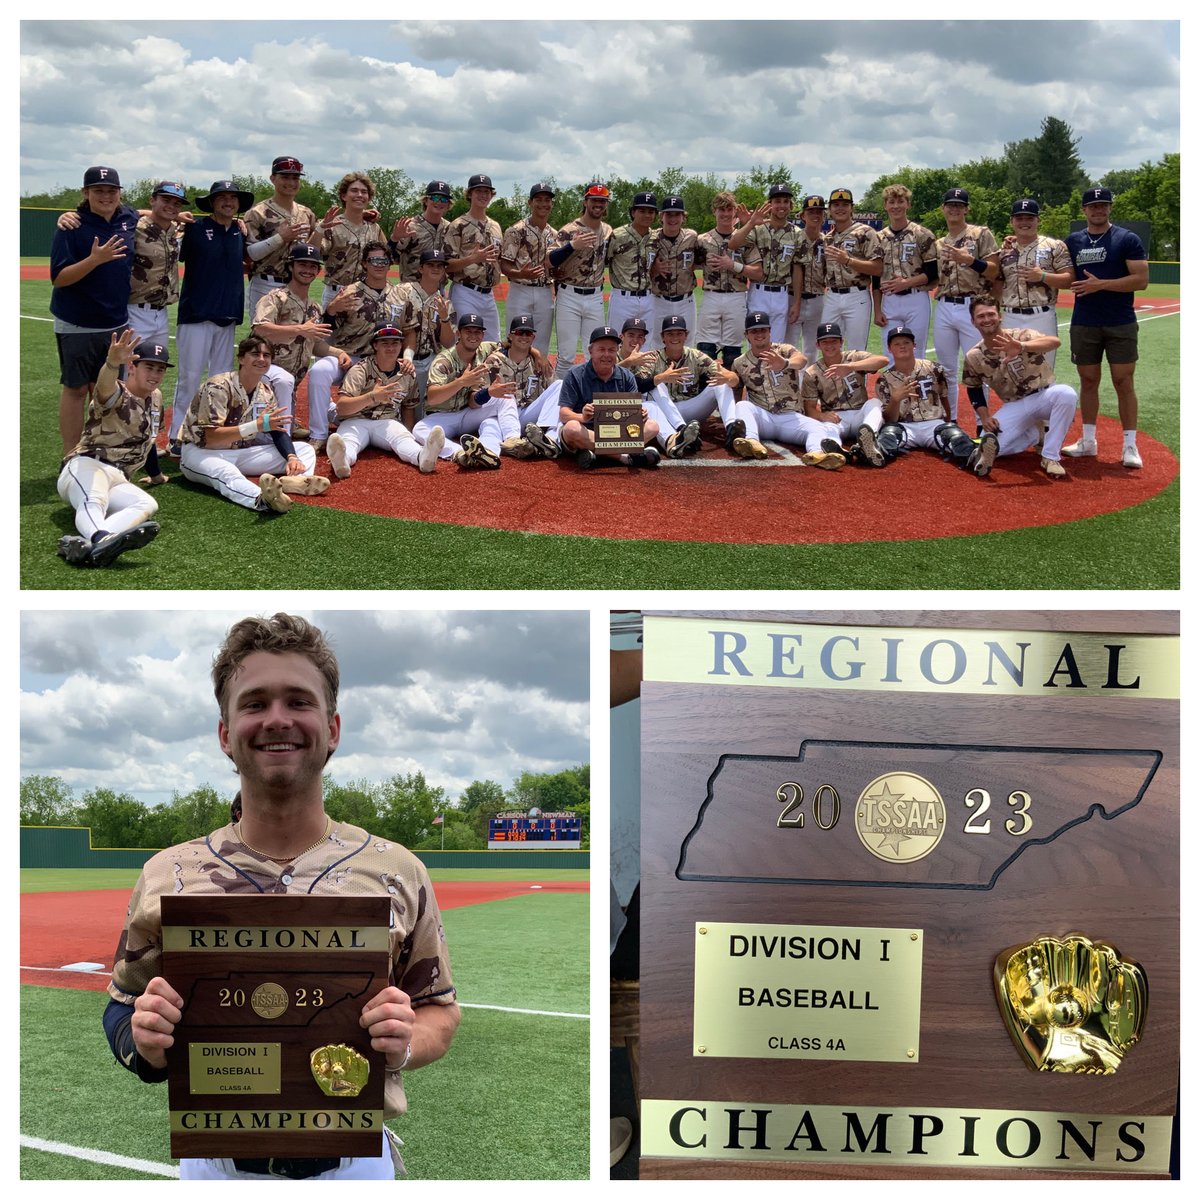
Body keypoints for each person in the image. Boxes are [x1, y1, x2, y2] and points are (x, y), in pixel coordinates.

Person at [102, 612, 460, 1180]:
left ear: (333, 728)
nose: (277, 719)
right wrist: (144, 1042)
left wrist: (407, 1040)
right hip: (214, 1165)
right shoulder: (167, 873)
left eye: (298, 700)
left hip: (351, 1168)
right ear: (225, 733)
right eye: (254, 703)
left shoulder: (397, 870)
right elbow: (121, 1006)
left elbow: (438, 1008)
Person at [178, 334, 328, 513]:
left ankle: (296, 480)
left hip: (241, 453)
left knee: (304, 450)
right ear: (241, 358)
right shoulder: (218, 386)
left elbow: (277, 430)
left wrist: (292, 457)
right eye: (255, 354)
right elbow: (211, 437)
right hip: (202, 453)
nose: (261, 359)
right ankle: (261, 499)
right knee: (227, 473)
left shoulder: (265, 391)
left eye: (267, 355)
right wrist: (255, 426)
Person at [56, 329, 165, 568]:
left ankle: (90, 546)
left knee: (148, 504)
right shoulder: (117, 391)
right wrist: (112, 363)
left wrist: (156, 475)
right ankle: (100, 538)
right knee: (93, 498)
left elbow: (149, 440)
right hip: (87, 464)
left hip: (120, 478)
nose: (155, 374)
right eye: (149, 367)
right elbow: (104, 389)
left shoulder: (156, 398)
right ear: (133, 367)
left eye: (161, 369)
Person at [49, 165, 138, 454]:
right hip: (78, 323)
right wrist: (94, 260)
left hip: (115, 323)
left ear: (119, 193)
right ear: (86, 193)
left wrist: (179, 215)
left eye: (111, 190)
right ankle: (72, 454)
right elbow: (60, 278)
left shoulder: (127, 217)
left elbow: (144, 214)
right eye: (98, 190)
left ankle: (105, 450)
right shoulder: (72, 226)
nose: (105, 196)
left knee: (109, 391)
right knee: (76, 390)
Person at [1062, 186, 1150, 468]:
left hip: (1119, 320)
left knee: (1123, 381)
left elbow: (1141, 280)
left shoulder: (1127, 238)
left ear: (1110, 207)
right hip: (1085, 321)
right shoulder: (1073, 241)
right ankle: (1088, 441)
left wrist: (1102, 285)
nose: (1098, 210)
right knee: (1088, 380)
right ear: (1084, 210)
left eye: (1103, 205)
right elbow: (1061, 271)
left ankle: (1130, 445)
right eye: (1093, 206)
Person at [168, 179, 254, 452]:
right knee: (190, 378)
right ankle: (177, 436)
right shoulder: (196, 227)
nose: (228, 202)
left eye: (233, 198)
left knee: (221, 381)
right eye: (222, 198)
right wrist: (175, 222)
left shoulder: (240, 232)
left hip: (226, 316)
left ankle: (215, 435)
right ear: (213, 202)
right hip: (196, 314)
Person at [961, 296, 1078, 480]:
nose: (986, 319)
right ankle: (1034, 433)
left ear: (999, 316)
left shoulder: (1021, 335)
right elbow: (973, 387)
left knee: (1066, 394)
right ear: (973, 322)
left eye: (991, 314)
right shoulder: (974, 356)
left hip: (1044, 396)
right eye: (981, 316)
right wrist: (985, 417)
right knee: (986, 441)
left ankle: (1050, 457)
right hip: (1015, 405)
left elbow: (1054, 341)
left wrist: (1022, 346)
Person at [252, 244, 352, 453]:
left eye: (312, 266)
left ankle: (284, 433)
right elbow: (261, 328)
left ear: (318, 271)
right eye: (302, 264)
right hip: (264, 373)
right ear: (291, 267)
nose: (307, 269)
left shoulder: (314, 308)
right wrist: (301, 329)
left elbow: (314, 344)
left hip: (289, 384)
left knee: (285, 392)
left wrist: (338, 352)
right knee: (266, 439)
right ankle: (285, 447)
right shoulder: (275, 297)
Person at [306, 245, 413, 441]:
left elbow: (409, 330)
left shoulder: (401, 295)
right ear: (364, 263)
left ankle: (394, 426)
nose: (379, 265)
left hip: (385, 361)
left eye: (383, 261)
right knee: (319, 371)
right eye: (373, 260)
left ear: (390, 263)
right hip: (350, 358)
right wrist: (331, 311)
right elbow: (325, 331)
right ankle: (318, 436)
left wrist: (407, 357)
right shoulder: (349, 292)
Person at [327, 325, 444, 478]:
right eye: (385, 343)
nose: (390, 347)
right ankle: (342, 462)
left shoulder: (407, 373)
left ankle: (423, 457)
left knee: (404, 439)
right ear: (375, 345)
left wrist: (408, 431)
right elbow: (341, 408)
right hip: (355, 420)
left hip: (387, 421)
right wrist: (372, 397)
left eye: (395, 343)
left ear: (401, 345)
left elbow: (408, 407)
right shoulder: (360, 370)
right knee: (349, 443)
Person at [415, 313, 518, 469]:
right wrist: (461, 382)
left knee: (504, 396)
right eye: (468, 331)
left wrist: (537, 355)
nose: (473, 336)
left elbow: (513, 343)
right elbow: (432, 398)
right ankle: (460, 453)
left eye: (477, 332)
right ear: (458, 333)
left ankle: (511, 442)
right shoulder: (444, 361)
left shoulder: (486, 348)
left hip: (468, 412)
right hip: (442, 417)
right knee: (419, 429)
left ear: (483, 334)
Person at [873, 325, 981, 472]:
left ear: (914, 345)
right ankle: (875, 454)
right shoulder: (884, 380)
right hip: (904, 426)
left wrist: (948, 422)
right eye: (897, 344)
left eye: (906, 342)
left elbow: (944, 399)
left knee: (954, 435)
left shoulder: (934, 368)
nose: (902, 346)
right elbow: (889, 419)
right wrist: (895, 400)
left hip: (933, 424)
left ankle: (975, 458)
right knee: (889, 434)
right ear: (889, 349)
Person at [932, 188, 999, 410]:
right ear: (943, 208)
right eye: (950, 204)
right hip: (944, 306)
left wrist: (970, 261)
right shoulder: (938, 242)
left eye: (959, 205)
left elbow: (994, 271)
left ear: (966, 209)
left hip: (973, 306)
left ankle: (983, 424)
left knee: (978, 365)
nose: (954, 209)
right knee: (946, 368)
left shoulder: (981, 234)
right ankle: (950, 421)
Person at [558, 326, 661, 469]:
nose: (607, 354)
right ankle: (625, 457)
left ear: (616, 351)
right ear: (590, 351)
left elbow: (633, 414)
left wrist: (639, 415)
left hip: (617, 432)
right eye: (601, 349)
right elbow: (564, 414)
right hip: (587, 432)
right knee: (571, 429)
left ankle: (596, 453)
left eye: (611, 350)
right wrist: (583, 417)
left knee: (653, 426)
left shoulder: (627, 376)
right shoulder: (574, 374)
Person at [637, 315, 738, 457]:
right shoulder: (653, 358)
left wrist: (729, 377)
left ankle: (733, 430)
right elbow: (639, 385)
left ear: (686, 335)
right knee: (656, 385)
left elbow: (733, 379)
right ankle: (682, 430)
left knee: (720, 382)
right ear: (662, 337)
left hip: (692, 409)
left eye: (679, 333)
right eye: (670, 334)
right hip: (665, 414)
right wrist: (662, 377)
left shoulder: (696, 356)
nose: (675, 337)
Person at [728, 311, 822, 461]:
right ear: (747, 335)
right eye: (754, 331)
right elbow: (736, 394)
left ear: (770, 331)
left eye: (763, 330)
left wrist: (785, 363)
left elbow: (802, 360)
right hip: (763, 420)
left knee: (819, 428)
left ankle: (816, 454)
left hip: (791, 418)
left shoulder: (784, 350)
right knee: (742, 406)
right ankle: (752, 442)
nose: (759, 334)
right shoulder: (739, 363)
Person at [799, 321, 889, 467]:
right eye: (825, 342)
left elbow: (883, 360)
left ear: (841, 342)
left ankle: (868, 439)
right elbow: (809, 408)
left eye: (834, 341)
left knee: (875, 403)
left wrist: (850, 367)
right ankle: (839, 452)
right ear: (818, 345)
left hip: (861, 414)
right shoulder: (812, 372)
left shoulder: (854, 357)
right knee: (827, 428)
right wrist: (822, 416)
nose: (830, 345)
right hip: (837, 417)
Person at [995, 199, 1072, 366]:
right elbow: (997, 284)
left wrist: (1043, 276)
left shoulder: (1054, 246)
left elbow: (1069, 280)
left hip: (1042, 315)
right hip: (1010, 315)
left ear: (1038, 220)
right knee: (1011, 370)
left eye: (1029, 218)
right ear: (1011, 221)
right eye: (1019, 218)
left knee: (1043, 369)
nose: (1024, 222)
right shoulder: (1004, 250)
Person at [551, 182, 613, 379]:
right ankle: (558, 402)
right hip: (569, 294)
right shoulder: (570, 230)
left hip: (595, 296)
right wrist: (571, 245)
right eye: (594, 200)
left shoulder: (608, 230)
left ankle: (590, 398)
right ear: (586, 201)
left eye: (602, 201)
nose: (598, 204)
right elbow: (550, 260)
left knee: (594, 353)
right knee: (567, 356)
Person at [244, 155, 319, 318]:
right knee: (263, 337)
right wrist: (280, 238)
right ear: (272, 178)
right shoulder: (258, 212)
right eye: (285, 177)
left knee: (293, 339)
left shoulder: (306, 213)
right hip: (265, 282)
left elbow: (313, 249)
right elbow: (251, 253)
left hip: (297, 284)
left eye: (295, 178)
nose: (291, 182)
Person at [726, 183, 797, 341]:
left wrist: (797, 302)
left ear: (790, 205)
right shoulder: (758, 228)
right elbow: (732, 244)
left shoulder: (796, 233)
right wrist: (750, 223)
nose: (782, 205)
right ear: (770, 204)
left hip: (782, 293)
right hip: (759, 292)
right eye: (777, 201)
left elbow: (798, 268)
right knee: (757, 342)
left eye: (786, 201)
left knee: (777, 346)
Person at [486, 315, 564, 460]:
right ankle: (488, 454)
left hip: (528, 416)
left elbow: (555, 392)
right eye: (519, 333)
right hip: (501, 416)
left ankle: (547, 440)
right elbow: (483, 394)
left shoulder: (539, 362)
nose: (524, 337)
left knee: (560, 385)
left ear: (533, 337)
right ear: (510, 336)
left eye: (527, 333)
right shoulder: (494, 360)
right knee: (489, 426)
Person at [874, 184, 938, 359]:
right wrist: (877, 310)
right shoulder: (878, 237)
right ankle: (895, 387)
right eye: (891, 202)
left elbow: (933, 272)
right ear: (885, 205)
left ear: (908, 204)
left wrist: (906, 283)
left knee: (917, 353)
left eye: (900, 201)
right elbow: (875, 277)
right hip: (889, 300)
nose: (896, 206)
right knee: (891, 353)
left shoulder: (922, 234)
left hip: (916, 298)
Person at [695, 191, 755, 369]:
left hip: (736, 295)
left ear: (735, 211)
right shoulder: (702, 240)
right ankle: (706, 391)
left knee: (732, 350)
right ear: (714, 211)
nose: (726, 214)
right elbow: (691, 264)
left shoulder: (745, 238)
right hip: (711, 294)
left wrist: (732, 265)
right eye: (721, 209)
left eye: (729, 209)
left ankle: (730, 391)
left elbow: (756, 269)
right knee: (706, 348)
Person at [821, 188, 883, 351]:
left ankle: (857, 377)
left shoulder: (865, 232)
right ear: (829, 210)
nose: (840, 208)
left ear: (852, 208)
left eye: (845, 204)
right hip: (832, 296)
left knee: (856, 349)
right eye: (836, 205)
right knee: (829, 345)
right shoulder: (828, 238)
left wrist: (848, 260)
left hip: (857, 295)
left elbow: (878, 268)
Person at [500, 182, 558, 355]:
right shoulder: (516, 231)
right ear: (530, 203)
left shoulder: (554, 234)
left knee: (541, 342)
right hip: (520, 289)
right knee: (514, 338)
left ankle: (538, 380)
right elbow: (505, 265)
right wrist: (521, 273)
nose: (543, 204)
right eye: (538, 199)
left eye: (547, 200)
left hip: (545, 291)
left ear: (552, 204)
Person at [444, 174, 503, 340]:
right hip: (465, 291)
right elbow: (447, 265)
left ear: (492, 195)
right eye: (478, 191)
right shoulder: (458, 225)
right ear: (469, 194)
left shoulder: (496, 226)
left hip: (488, 294)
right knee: (465, 340)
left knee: (493, 343)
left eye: (487, 191)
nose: (483, 195)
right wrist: (472, 259)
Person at [396, 249, 456, 410]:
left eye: (440, 265)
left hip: (428, 360)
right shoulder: (402, 291)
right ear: (421, 268)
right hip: (399, 358)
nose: (436, 268)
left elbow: (449, 342)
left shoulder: (445, 303)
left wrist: (444, 318)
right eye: (430, 265)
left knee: (420, 411)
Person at [318, 171, 388, 306]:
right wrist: (320, 229)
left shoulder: (374, 227)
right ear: (344, 195)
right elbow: (314, 252)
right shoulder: (331, 224)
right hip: (336, 292)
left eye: (364, 192)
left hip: (367, 292)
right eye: (354, 191)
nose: (359, 195)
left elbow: (387, 256)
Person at [647, 196, 700, 349]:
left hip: (686, 300)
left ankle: (686, 373)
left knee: (688, 343)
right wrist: (653, 269)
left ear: (683, 217)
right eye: (669, 214)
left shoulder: (692, 237)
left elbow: (701, 259)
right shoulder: (651, 238)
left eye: (677, 214)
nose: (673, 218)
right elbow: (638, 267)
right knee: (656, 342)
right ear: (661, 216)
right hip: (658, 300)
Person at [605, 192, 658, 340]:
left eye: (651, 212)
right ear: (633, 212)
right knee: (616, 341)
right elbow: (603, 261)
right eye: (642, 211)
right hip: (623, 297)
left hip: (648, 297)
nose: (647, 215)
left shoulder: (656, 238)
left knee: (646, 343)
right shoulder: (617, 235)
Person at [389, 180, 452, 283]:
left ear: (448, 204)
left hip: (436, 289)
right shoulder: (410, 226)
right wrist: (394, 239)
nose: (439, 202)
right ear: (426, 201)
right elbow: (391, 258)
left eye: (444, 199)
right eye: (435, 198)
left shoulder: (449, 227)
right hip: (410, 287)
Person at [793, 194, 829, 361]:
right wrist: (796, 302)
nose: (815, 215)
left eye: (819, 212)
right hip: (792, 298)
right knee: (789, 346)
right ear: (802, 216)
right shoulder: (794, 239)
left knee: (811, 349)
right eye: (811, 212)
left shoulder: (828, 241)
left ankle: (808, 385)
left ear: (824, 215)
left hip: (817, 298)